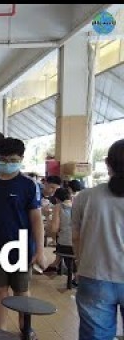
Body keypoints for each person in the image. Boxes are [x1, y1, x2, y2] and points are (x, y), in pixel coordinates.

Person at [0, 138, 46, 337]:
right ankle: (0, 329)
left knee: (21, 291)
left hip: (21, 247)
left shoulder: (28, 185)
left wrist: (40, 250)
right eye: (3, 159)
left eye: (13, 159)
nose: (8, 163)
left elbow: (36, 219)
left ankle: (25, 328)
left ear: (21, 159)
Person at [72, 139, 124, 340]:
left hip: (94, 274)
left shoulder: (86, 197)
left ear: (108, 163)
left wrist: (79, 264)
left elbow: (76, 238)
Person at [44, 188, 75, 282]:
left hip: (66, 246)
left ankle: (55, 264)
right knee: (64, 236)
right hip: (81, 245)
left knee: (61, 238)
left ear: (57, 198)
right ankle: (56, 264)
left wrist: (47, 217)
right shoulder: (77, 205)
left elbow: (54, 229)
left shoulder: (58, 207)